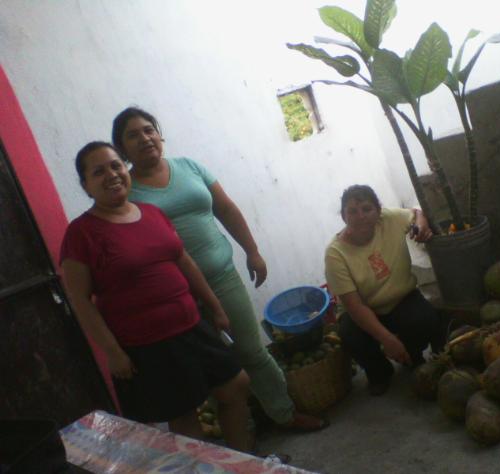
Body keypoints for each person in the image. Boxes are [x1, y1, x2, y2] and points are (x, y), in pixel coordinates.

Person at [111, 107, 326, 431]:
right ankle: (241, 431)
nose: (144, 138)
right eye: (132, 135)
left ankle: (284, 413)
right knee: (210, 368)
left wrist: (252, 251)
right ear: (122, 148)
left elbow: (225, 208)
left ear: (159, 134)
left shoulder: (189, 167)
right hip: (179, 297)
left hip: (223, 277)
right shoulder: (129, 193)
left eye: (148, 130)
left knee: (252, 352)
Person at [60, 141, 252, 452]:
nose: (112, 174)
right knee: (185, 418)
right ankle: (206, 471)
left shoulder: (151, 213)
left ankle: (244, 462)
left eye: (116, 165)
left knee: (236, 384)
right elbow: (80, 299)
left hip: (192, 325)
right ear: (86, 186)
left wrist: (214, 307)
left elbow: (183, 261)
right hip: (149, 345)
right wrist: (112, 352)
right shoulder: (81, 233)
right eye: (98, 172)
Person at [324, 185, 448, 396]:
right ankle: (379, 373)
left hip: (401, 299)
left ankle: (411, 355)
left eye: (366, 209)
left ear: (378, 210)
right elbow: (355, 307)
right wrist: (387, 339)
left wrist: (421, 225)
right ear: (344, 216)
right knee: (349, 335)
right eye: (352, 211)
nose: (360, 216)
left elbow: (417, 213)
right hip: (364, 310)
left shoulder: (390, 219)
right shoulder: (335, 254)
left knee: (425, 320)